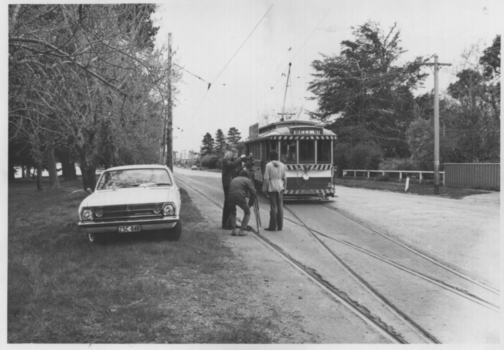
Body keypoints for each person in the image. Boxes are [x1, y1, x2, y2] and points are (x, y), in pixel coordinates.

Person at [222, 148, 246, 229]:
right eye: (235, 155)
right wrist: (240, 158)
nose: (236, 157)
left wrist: (242, 167)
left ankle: (231, 223)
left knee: (231, 205)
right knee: (229, 204)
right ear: (231, 154)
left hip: (230, 184)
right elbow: (232, 165)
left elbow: (235, 170)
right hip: (228, 185)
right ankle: (226, 224)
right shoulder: (226, 161)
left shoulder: (229, 162)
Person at [263, 150, 287, 231]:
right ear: (278, 157)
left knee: (273, 207)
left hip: (272, 187)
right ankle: (280, 226)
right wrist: (285, 187)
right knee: (280, 206)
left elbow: (266, 178)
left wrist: (265, 189)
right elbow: (285, 178)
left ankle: (272, 226)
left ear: (270, 157)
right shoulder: (282, 165)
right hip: (280, 187)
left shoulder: (268, 165)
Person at [228, 169, 257, 236]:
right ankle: (241, 231)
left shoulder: (234, 179)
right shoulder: (247, 180)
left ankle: (234, 230)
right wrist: (250, 203)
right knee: (247, 212)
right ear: (247, 175)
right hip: (240, 197)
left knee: (232, 212)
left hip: (230, 197)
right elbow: (253, 193)